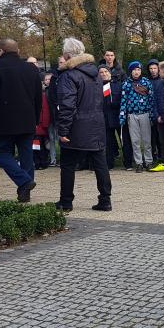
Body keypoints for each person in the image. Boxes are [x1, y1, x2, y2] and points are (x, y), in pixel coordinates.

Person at [0, 38, 42, 203]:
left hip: (5, 119)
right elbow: (38, 96)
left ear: (1, 50)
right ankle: (25, 192)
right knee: (26, 155)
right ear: (17, 50)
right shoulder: (31, 68)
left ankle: (24, 181)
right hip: (27, 118)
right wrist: (36, 118)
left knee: (1, 153)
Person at [54, 38, 112, 212]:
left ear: (68, 54)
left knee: (68, 164)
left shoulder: (69, 75)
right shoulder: (95, 74)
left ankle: (66, 201)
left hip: (77, 126)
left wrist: (63, 129)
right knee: (100, 163)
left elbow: (67, 105)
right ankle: (105, 199)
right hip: (96, 124)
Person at [119, 61, 155, 172]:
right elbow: (123, 101)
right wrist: (122, 116)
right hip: (132, 115)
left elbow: (151, 99)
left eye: (138, 69)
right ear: (131, 71)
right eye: (134, 70)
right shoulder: (126, 84)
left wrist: (152, 114)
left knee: (147, 140)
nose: (136, 72)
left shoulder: (146, 82)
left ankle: (148, 162)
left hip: (145, 114)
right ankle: (139, 162)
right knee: (135, 141)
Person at [99, 66, 122, 170]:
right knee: (108, 142)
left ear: (109, 72)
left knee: (124, 140)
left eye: (105, 71)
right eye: (101, 72)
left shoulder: (117, 84)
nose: (104, 74)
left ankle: (129, 162)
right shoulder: (97, 86)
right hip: (105, 118)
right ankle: (109, 163)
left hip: (118, 117)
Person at [32, 75, 52, 170]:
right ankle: (38, 162)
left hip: (39, 126)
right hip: (35, 126)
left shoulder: (42, 95)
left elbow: (45, 110)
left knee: (39, 145)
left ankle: (41, 162)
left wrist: (45, 124)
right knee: (35, 145)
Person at [43, 72, 59, 167]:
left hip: (57, 117)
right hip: (48, 119)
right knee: (51, 139)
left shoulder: (56, 90)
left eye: (50, 79)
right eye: (46, 79)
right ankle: (53, 159)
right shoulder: (43, 92)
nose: (48, 81)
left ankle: (62, 158)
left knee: (59, 138)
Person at [148, 59, 162, 162]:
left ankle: (162, 154)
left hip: (160, 111)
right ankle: (153, 154)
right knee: (152, 135)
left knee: (161, 135)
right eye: (151, 68)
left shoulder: (162, 80)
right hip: (149, 110)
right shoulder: (146, 81)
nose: (153, 70)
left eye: (155, 68)